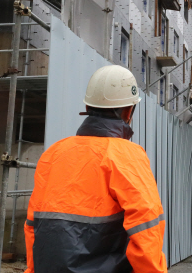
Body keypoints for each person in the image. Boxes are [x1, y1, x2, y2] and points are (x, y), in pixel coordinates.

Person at [24, 65, 167, 273]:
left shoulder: (54, 153)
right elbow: (146, 228)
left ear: (88, 108)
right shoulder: (127, 155)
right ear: (129, 111)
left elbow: (32, 224)